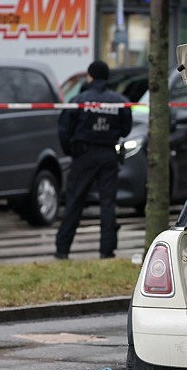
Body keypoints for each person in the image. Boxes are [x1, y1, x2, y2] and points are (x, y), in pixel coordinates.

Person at [55, 60, 132, 260]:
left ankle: (62, 250)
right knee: (108, 204)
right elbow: (126, 129)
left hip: (84, 156)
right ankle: (107, 250)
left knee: (74, 202)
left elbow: (64, 130)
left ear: (90, 77)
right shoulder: (119, 101)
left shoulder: (79, 100)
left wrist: (71, 151)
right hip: (108, 155)